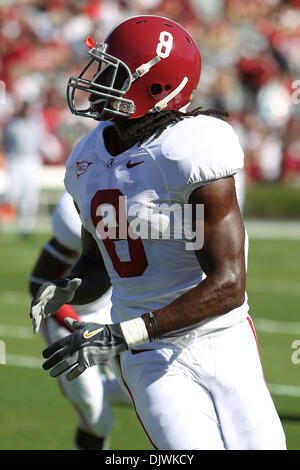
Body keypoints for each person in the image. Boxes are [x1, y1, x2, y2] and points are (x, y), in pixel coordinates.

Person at [30, 15, 286, 450]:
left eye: (114, 72)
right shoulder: (86, 159)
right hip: (149, 356)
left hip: (221, 339)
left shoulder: (193, 148)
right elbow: (100, 262)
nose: (98, 81)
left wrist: (120, 333)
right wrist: (68, 285)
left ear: (155, 87)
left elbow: (228, 285)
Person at [29, 191, 130, 450]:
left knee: (156, 390)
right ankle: (103, 386)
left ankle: (111, 384)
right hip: (72, 323)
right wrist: (83, 331)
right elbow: (39, 288)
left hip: (112, 312)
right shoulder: (71, 228)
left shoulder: (129, 213)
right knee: (97, 419)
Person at [1, 101, 44, 236]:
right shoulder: (13, 125)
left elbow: (39, 142)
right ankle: (3, 220)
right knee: (12, 193)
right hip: (16, 159)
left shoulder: (35, 124)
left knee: (30, 195)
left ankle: (26, 228)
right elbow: (6, 143)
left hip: (31, 160)